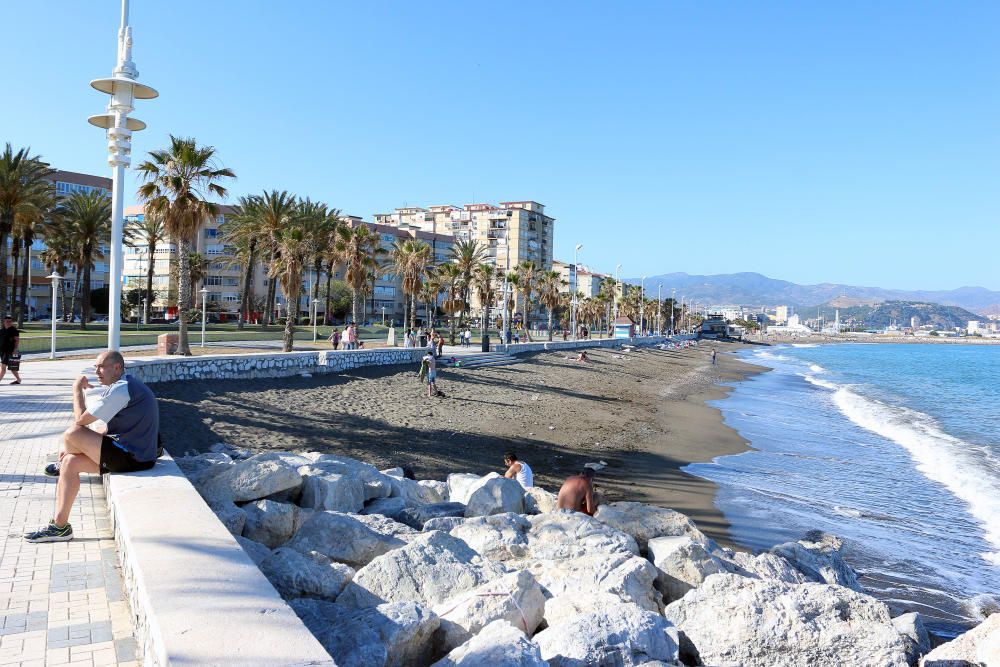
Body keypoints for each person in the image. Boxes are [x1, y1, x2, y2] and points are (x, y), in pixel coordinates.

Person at [25, 350, 159, 542]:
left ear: (117, 367)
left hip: (134, 457)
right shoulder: (124, 385)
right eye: (96, 367)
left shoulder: (122, 389)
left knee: (72, 433)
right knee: (70, 462)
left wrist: (76, 388)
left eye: (101, 367)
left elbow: (81, 421)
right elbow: (110, 428)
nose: (97, 371)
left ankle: (64, 460)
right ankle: (60, 527)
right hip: (136, 455)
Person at [0, 316, 22, 385]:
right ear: (4, 322)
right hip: (2, 352)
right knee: (13, 368)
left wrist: (15, 349)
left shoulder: (14, 331)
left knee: (3, 367)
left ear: (12, 322)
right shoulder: (1, 330)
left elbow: (17, 340)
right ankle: (18, 380)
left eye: (10, 321)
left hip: (10, 352)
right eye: (7, 321)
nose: (8, 323)